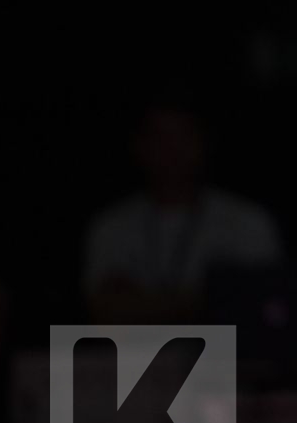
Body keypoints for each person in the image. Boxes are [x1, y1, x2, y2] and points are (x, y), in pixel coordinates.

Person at [84, 96, 282, 324]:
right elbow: (105, 310)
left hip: (227, 357)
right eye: (159, 138)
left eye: (183, 137)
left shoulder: (247, 222)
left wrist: (143, 302)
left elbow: (261, 306)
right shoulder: (111, 226)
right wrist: (202, 298)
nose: (172, 151)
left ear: (203, 143)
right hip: (136, 357)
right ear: (139, 146)